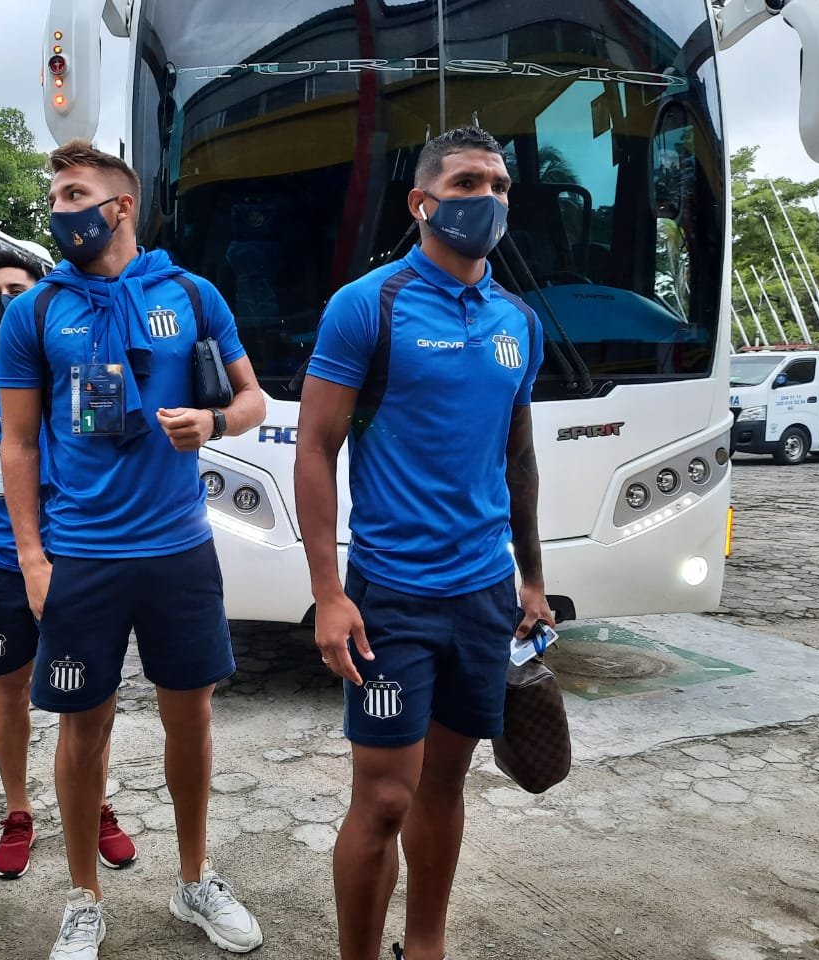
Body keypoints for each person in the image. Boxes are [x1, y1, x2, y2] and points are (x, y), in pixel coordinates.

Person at [0, 139, 266, 959]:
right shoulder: (35, 311)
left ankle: (194, 879)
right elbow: (17, 444)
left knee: (192, 718)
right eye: (54, 197)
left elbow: (253, 399)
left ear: (120, 206)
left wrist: (213, 421)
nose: (59, 209)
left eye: (74, 195)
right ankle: (84, 897)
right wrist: (33, 558)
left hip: (180, 549)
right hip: (83, 555)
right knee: (83, 728)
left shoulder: (190, 294)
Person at [293, 127, 550, 960]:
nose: (489, 199)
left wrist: (532, 579)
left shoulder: (518, 320)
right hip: (391, 597)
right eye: (468, 182)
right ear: (422, 202)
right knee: (384, 799)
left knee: (445, 784)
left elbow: (517, 458)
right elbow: (314, 449)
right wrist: (329, 593)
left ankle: (426, 946)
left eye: (500, 185)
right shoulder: (369, 304)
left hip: (483, 594)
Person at [0, 249, 137, 881]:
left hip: (81, 556)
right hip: (3, 563)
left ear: (43, 298)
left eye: (17, 289)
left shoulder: (88, 373)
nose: (5, 302)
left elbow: (114, 458)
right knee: (11, 687)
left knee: (93, 697)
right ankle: (18, 812)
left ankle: (94, 804)